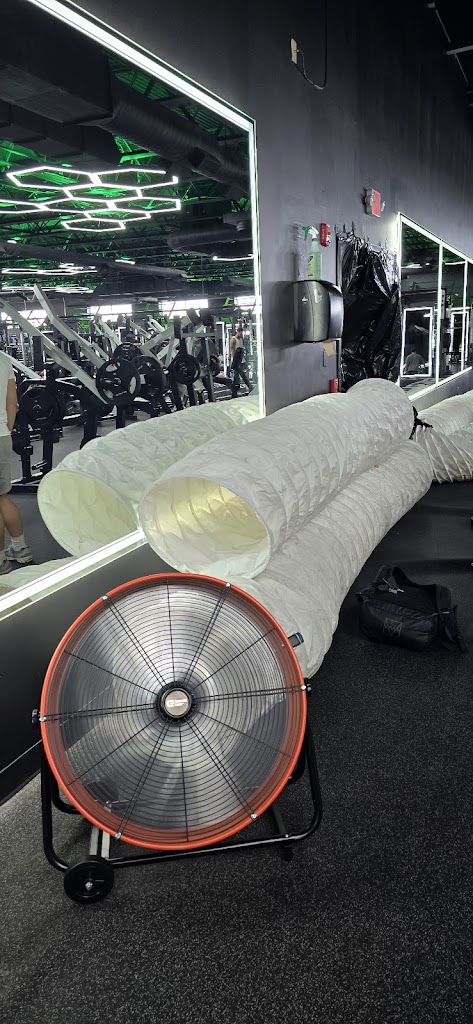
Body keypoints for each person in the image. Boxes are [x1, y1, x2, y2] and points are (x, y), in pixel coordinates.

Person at [0, 353, 33, 574]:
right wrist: (6, 430)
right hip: (2, 435)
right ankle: (20, 548)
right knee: (1, 497)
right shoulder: (3, 359)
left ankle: (0, 560)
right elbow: (12, 403)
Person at [229, 328, 253, 398]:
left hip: (242, 360)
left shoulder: (241, 340)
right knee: (238, 377)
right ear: (238, 332)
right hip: (236, 361)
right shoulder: (233, 340)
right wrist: (234, 361)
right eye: (240, 333)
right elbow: (232, 350)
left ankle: (236, 392)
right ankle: (235, 392)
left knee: (244, 373)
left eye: (242, 333)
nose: (241, 334)